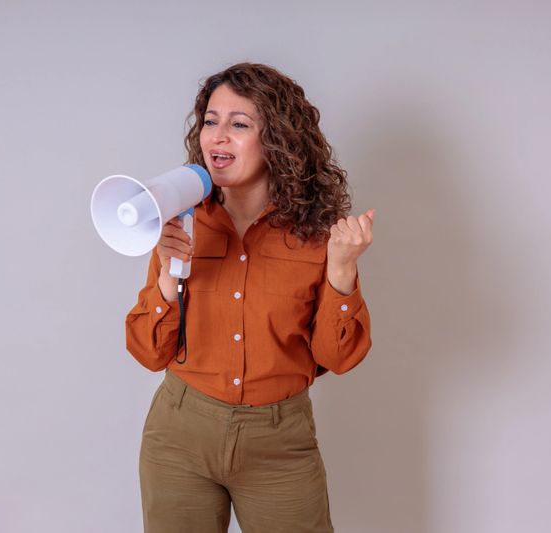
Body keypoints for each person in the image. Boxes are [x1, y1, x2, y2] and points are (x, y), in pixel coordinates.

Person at [124, 62, 374, 532]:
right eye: (211, 121)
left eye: (239, 124)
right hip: (180, 435)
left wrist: (341, 271)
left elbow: (336, 358)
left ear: (277, 139)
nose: (218, 136)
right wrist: (166, 281)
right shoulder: (177, 220)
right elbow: (148, 352)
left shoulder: (317, 235)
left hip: (280, 442)